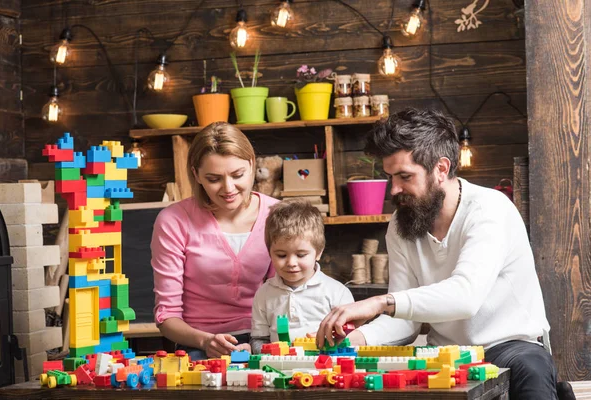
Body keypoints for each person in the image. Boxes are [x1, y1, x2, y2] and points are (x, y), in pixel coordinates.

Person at [316, 108, 569, 400]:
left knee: (530, 368)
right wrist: (356, 339)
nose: (394, 189)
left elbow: (465, 297)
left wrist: (380, 302)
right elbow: (405, 319)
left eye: (405, 176)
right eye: (390, 177)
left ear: (441, 169)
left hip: (510, 346)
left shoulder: (490, 209)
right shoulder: (401, 224)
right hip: (445, 354)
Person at [151, 122, 279, 360]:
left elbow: (283, 295)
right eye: (214, 178)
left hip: (264, 337)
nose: (228, 188)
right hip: (196, 340)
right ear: (196, 174)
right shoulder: (173, 221)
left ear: (252, 164)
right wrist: (205, 340)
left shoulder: (276, 215)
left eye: (237, 175)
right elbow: (167, 317)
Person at [250, 200, 354, 354]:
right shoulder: (263, 294)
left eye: (301, 255)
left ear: (318, 252)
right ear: (269, 252)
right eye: (281, 255)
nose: (291, 263)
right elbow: (259, 339)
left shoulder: (337, 293)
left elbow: (350, 338)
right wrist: (269, 354)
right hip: (279, 367)